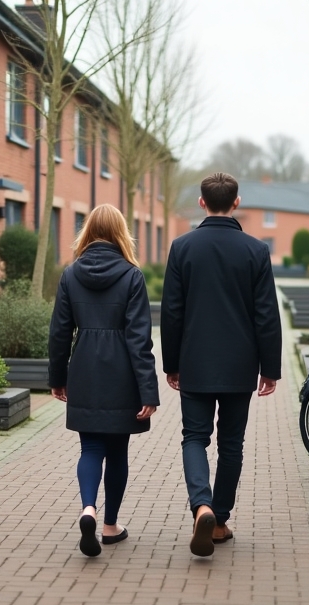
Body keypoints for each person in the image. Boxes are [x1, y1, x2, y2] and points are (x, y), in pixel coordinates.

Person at [160, 172, 282, 557]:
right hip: (239, 365)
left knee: (194, 437)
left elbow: (172, 312)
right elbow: (266, 314)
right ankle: (219, 520)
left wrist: (171, 363)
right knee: (231, 444)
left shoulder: (182, 247)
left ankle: (202, 506)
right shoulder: (256, 250)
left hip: (194, 361)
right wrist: (270, 368)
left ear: (201, 203)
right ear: (236, 202)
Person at [49, 204, 159, 558]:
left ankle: (88, 509)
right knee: (117, 452)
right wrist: (148, 391)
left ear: (88, 231)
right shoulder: (132, 276)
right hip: (122, 374)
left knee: (90, 448)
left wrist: (57, 377)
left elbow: (59, 332)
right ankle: (110, 526)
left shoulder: (70, 274)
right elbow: (140, 339)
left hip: (84, 370)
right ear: (121, 232)